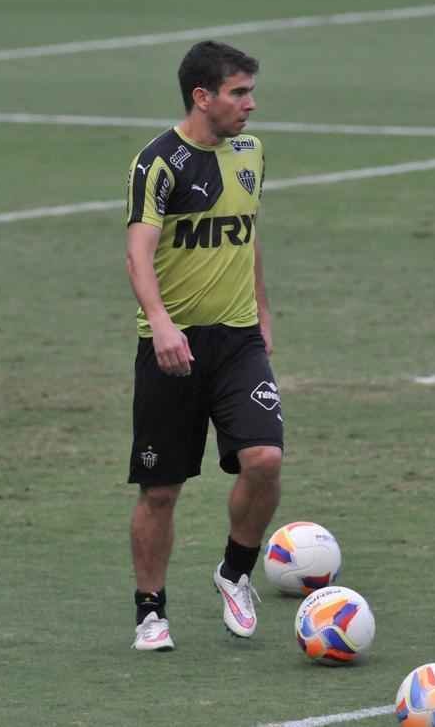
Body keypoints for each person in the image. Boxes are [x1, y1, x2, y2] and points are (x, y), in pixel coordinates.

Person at [124, 40, 283, 651]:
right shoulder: (159, 163)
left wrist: (263, 310)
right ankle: (150, 611)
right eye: (239, 93)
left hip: (239, 342)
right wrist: (161, 323)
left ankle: (236, 572)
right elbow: (138, 252)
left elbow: (248, 233)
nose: (251, 105)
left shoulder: (251, 152)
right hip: (174, 348)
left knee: (265, 461)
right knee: (161, 490)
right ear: (203, 97)